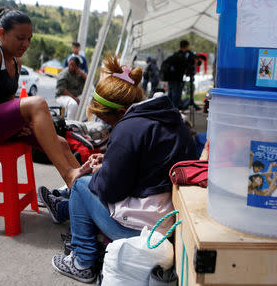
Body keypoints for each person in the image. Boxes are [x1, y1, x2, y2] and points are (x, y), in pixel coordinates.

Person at [42, 54, 198, 283]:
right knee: (88, 185)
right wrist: (109, 160)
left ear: (119, 113)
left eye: (106, 119)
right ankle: (65, 212)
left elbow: (110, 190)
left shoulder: (128, 129)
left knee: (80, 185)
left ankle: (82, 261)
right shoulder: (170, 120)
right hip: (168, 222)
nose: (106, 125)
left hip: (143, 230)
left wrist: (97, 172)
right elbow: (149, 164)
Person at [0, 7, 86, 188]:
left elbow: (7, 103)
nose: (26, 44)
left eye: (29, 39)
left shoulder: (15, 62)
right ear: (2, 33)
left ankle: (86, 193)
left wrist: (16, 122)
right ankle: (69, 176)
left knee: (61, 144)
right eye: (20, 38)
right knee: (36, 103)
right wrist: (12, 120)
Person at [164, 40, 196, 109]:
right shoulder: (182, 56)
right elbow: (187, 65)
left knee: (170, 95)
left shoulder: (175, 54)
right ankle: (174, 111)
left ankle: (169, 110)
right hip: (177, 79)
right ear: (186, 46)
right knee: (176, 97)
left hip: (170, 78)